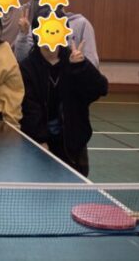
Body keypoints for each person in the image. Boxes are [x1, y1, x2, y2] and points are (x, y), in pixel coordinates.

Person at [19, 13, 108, 176]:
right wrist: (40, 139)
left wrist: (82, 67)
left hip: (74, 145)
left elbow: (101, 89)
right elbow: (30, 107)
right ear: (37, 34)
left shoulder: (75, 61)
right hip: (40, 146)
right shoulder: (27, 68)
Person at [14, 0, 99, 67]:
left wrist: (82, 66)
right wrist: (23, 34)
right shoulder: (39, 23)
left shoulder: (82, 23)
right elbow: (23, 57)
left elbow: (92, 60)